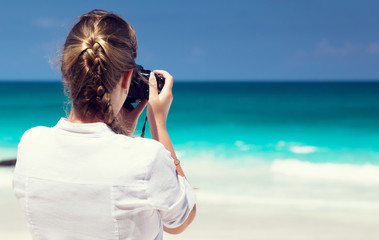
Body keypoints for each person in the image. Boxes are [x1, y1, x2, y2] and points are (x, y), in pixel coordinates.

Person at [12, 9, 196, 240]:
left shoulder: (31, 144)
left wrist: (121, 133)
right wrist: (158, 123)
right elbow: (180, 221)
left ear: (64, 70)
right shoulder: (147, 158)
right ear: (127, 77)